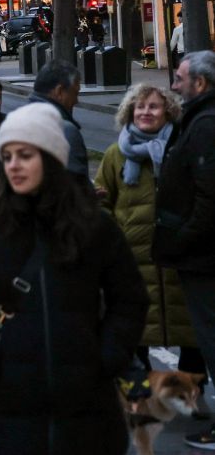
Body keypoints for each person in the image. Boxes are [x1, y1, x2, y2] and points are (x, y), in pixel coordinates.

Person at [0, 102, 147, 455]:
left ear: (51, 158)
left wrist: (105, 356)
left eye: (25, 154)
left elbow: (130, 299)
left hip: (88, 414)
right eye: (7, 156)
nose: (14, 165)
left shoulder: (93, 226)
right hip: (7, 415)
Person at [95, 83, 207, 382]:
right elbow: (102, 205)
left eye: (154, 106)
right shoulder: (114, 155)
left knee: (192, 331)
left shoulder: (182, 150)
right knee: (136, 330)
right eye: (140, 107)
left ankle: (192, 391)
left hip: (180, 260)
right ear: (129, 112)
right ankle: (140, 394)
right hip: (133, 263)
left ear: (168, 111)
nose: (146, 112)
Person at [154, 51, 215, 448]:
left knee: (212, 339)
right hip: (201, 253)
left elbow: (209, 197)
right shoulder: (197, 119)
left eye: (179, 78)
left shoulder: (205, 124)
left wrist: (182, 238)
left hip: (205, 256)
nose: (173, 85)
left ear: (200, 84)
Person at [29, 61, 89, 180]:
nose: (76, 101)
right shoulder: (65, 132)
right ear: (60, 91)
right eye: (75, 93)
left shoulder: (16, 123)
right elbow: (76, 188)